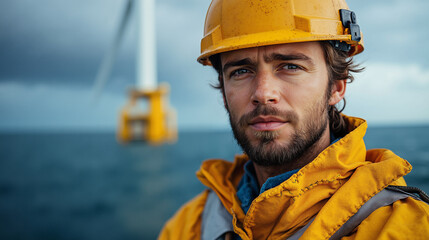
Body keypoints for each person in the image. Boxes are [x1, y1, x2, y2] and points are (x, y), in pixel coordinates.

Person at [159, 0, 429, 239]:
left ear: (336, 86)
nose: (263, 94)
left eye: (290, 66)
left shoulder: (404, 226)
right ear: (223, 89)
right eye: (241, 71)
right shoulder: (191, 224)